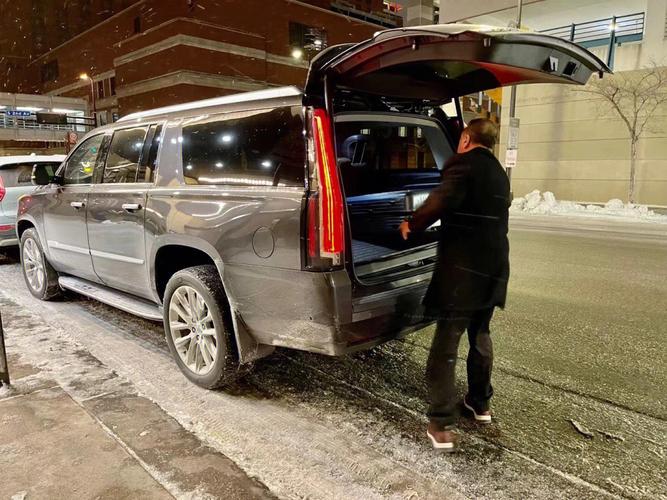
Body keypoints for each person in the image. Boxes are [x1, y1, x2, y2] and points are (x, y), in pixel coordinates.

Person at [398, 118, 510, 451]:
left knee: (445, 347)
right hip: (493, 270)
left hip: (464, 273)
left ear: (465, 139)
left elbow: (440, 201)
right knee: (481, 335)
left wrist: (411, 224)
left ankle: (441, 423)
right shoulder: (498, 172)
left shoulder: (463, 165)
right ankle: (480, 403)